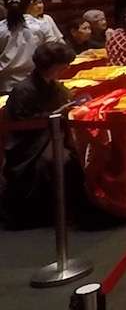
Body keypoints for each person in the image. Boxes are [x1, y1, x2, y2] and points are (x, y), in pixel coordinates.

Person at [2, 42, 82, 229]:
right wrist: (53, 114)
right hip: (28, 143)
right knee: (59, 160)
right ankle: (52, 213)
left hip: (49, 134)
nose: (65, 69)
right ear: (50, 66)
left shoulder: (52, 85)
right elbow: (23, 123)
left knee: (75, 155)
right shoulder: (23, 89)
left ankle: (70, 208)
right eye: (62, 66)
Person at [0, 0, 62, 94]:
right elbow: (54, 51)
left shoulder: (1, 28)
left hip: (4, 84)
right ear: (28, 5)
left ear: (5, 6)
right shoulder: (41, 26)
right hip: (35, 83)